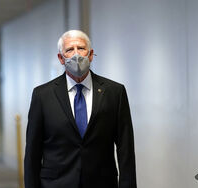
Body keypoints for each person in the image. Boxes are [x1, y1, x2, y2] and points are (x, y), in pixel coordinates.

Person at [24, 30, 137, 188]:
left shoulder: (114, 92)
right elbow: (32, 153)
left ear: (90, 54)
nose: (76, 54)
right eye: (69, 50)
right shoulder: (42, 95)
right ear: (61, 58)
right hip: (56, 183)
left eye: (81, 48)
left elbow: (126, 150)